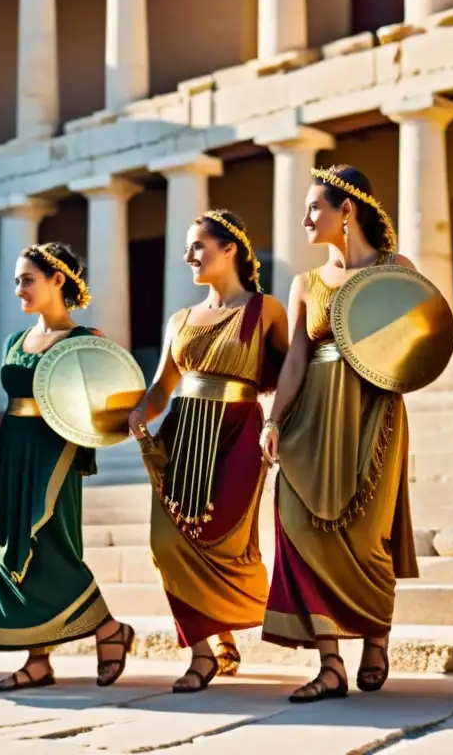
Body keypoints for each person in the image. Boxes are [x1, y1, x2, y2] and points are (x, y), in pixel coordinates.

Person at [260, 165, 418, 703]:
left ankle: (376, 635)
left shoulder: (397, 269)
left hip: (374, 411)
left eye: (314, 207)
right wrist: (273, 420)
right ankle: (330, 663)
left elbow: (421, 343)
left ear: (345, 210)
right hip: (313, 416)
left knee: (367, 532)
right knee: (298, 521)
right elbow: (295, 360)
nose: (305, 218)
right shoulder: (305, 282)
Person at [128, 210, 288, 693]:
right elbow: (162, 386)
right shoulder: (181, 319)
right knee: (167, 541)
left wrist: (280, 422)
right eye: (188, 247)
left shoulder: (267, 310)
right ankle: (203, 651)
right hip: (181, 432)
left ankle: (236, 623)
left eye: (198, 245)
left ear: (230, 249)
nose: (188, 256)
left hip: (239, 432)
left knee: (222, 536)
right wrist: (140, 413)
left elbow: (290, 374)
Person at [0, 242, 136, 692]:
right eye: (16, 281)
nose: (18, 289)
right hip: (10, 451)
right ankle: (38, 660)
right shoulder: (15, 341)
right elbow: (2, 406)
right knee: (7, 547)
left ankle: (107, 628)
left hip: (56, 454)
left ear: (57, 280)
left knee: (51, 548)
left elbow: (111, 398)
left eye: (27, 279)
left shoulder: (86, 341)